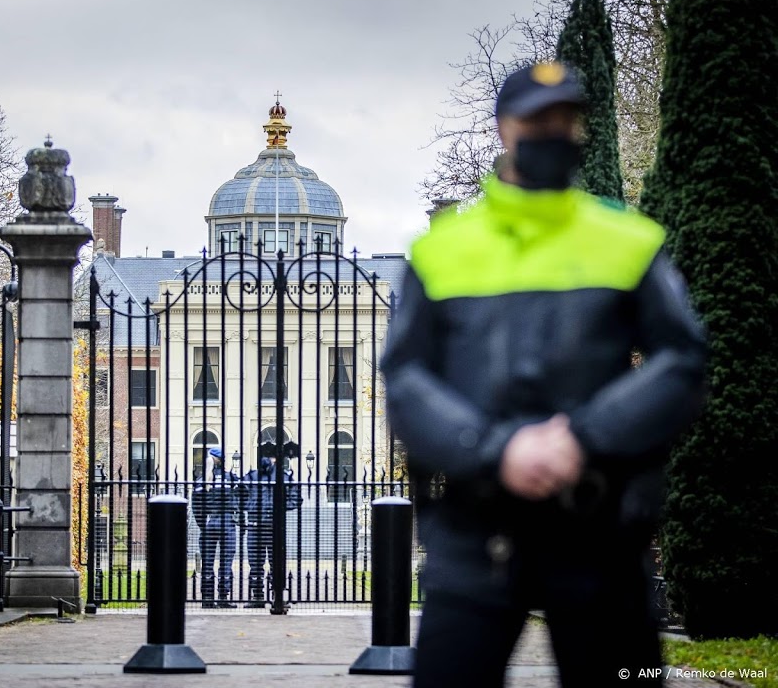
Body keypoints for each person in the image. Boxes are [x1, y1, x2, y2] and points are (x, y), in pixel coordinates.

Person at [381, 61, 707, 688]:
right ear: (505, 128)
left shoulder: (627, 239)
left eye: (567, 120)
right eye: (539, 120)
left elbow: (682, 360)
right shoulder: (442, 250)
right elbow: (406, 377)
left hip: (598, 532)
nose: (555, 132)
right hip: (478, 533)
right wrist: (497, 448)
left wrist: (583, 437)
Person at [241, 441, 302, 608]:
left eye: (271, 455)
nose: (269, 459)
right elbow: (239, 496)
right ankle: (262, 597)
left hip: (270, 525)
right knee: (258, 564)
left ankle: (271, 598)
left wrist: (279, 508)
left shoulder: (280, 476)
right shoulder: (253, 476)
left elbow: (296, 499)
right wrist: (251, 507)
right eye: (266, 455)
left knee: (271, 563)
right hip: (259, 525)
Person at [191, 447, 242, 608]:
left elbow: (196, 505)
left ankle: (207, 598)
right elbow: (243, 496)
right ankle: (223, 597)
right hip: (227, 521)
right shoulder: (230, 479)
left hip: (209, 522)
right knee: (226, 562)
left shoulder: (201, 481)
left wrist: (202, 524)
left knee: (207, 562)